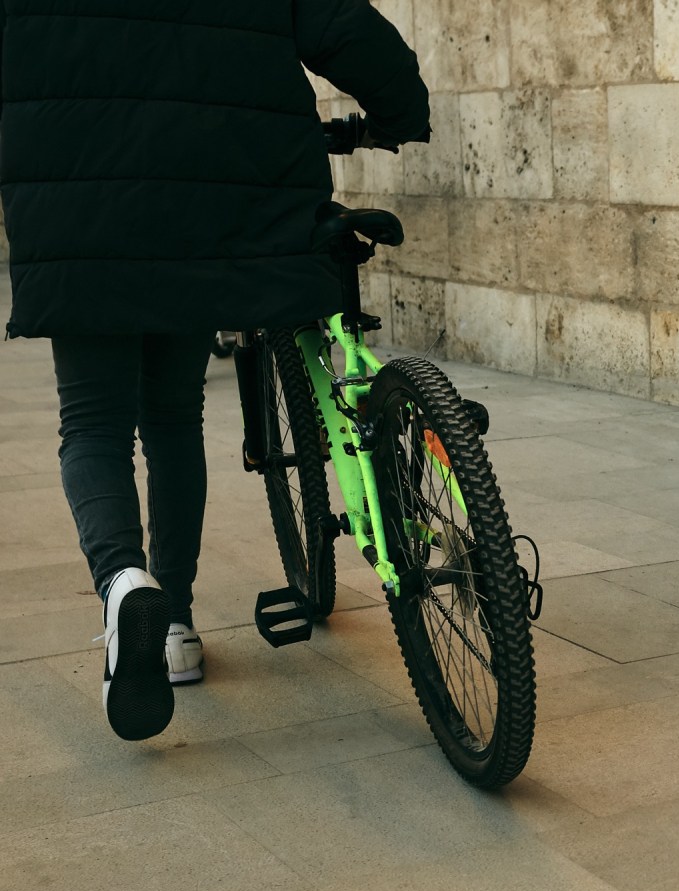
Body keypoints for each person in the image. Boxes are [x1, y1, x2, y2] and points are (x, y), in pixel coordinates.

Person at [0, 2, 430, 741]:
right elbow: (342, 26)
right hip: (208, 207)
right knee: (171, 417)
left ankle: (122, 583)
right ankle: (174, 624)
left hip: (79, 212)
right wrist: (397, 112)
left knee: (93, 426)